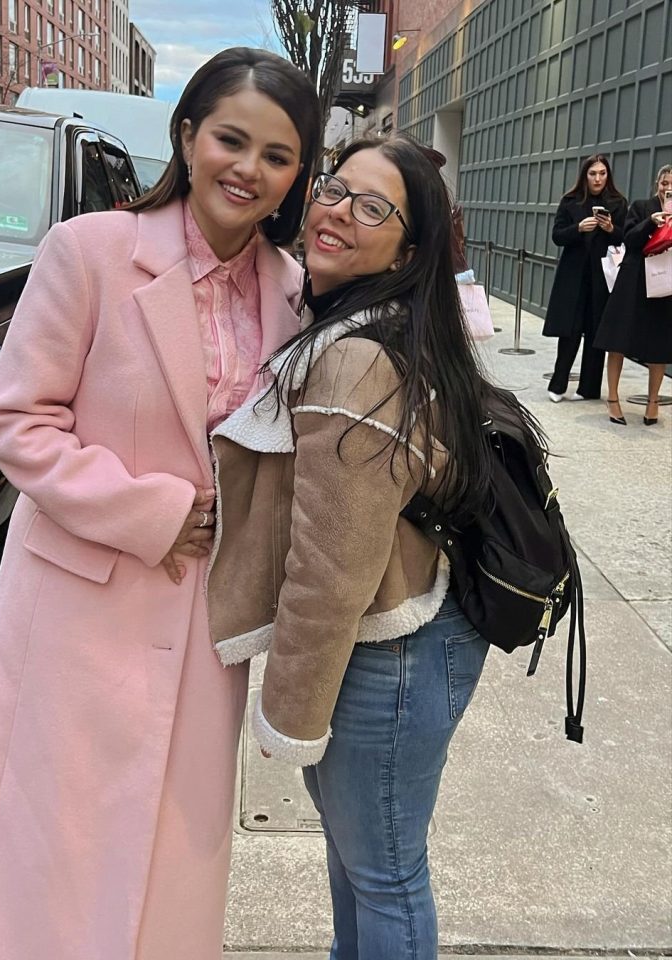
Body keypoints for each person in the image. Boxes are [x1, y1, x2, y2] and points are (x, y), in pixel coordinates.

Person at [0, 47, 320, 960]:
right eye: (230, 140)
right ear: (187, 136)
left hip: (203, 621)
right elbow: (17, 420)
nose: (248, 169)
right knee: (47, 852)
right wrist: (149, 511)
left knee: (172, 854)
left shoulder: (293, 292)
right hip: (77, 611)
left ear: (299, 173)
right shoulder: (90, 252)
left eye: (277, 155)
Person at [205, 135, 541, 958]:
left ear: (408, 249)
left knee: (384, 873)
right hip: (411, 637)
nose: (336, 213)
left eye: (372, 207)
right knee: (362, 863)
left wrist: (288, 712)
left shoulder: (354, 359)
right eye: (334, 188)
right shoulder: (385, 326)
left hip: (392, 652)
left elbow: (331, 567)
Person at [542, 154, 627, 401]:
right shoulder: (570, 201)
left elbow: (626, 237)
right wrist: (578, 228)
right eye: (593, 174)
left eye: (602, 173)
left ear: (608, 175)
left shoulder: (618, 203)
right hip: (574, 274)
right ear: (585, 175)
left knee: (596, 331)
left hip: (603, 275)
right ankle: (558, 384)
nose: (598, 178)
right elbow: (557, 236)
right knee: (569, 330)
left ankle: (589, 388)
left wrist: (611, 229)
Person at [595, 164, 672, 425]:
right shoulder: (641, 207)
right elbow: (628, 238)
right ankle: (613, 399)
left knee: (659, 343)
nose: (667, 188)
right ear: (656, 184)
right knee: (618, 339)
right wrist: (651, 222)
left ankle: (653, 402)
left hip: (664, 284)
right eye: (664, 183)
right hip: (634, 279)